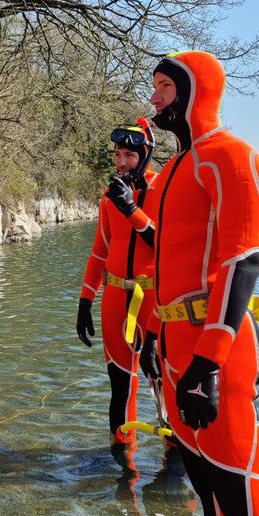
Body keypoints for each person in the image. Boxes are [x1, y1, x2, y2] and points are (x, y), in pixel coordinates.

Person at [131, 50, 259, 516]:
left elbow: (242, 264)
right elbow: (162, 264)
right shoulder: (169, 173)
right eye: (155, 88)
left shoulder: (233, 157)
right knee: (202, 481)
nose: (155, 100)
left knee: (240, 492)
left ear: (196, 91)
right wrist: (150, 333)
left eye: (165, 88)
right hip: (172, 345)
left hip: (214, 351)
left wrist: (208, 362)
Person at [75, 119, 162, 445]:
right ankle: (123, 467)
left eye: (129, 155)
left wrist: (131, 208)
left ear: (146, 155)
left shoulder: (162, 190)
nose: (122, 163)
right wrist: (85, 300)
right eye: (117, 155)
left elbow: (166, 247)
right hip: (114, 297)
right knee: (120, 385)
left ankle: (174, 469)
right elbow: (99, 252)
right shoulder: (108, 197)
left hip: (154, 301)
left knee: (162, 381)